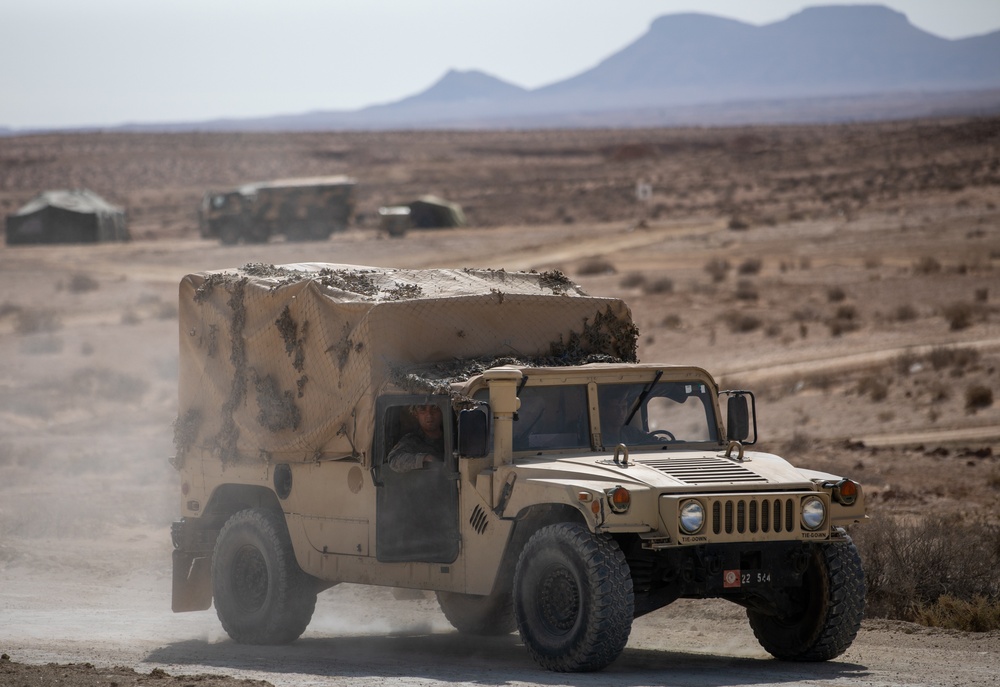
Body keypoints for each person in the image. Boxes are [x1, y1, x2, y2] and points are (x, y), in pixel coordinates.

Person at [387, 404, 445, 472]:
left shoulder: (454, 438)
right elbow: (394, 460)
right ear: (416, 414)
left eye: (434, 408)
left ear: (442, 412)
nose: (429, 415)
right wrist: (424, 458)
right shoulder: (412, 440)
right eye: (422, 409)